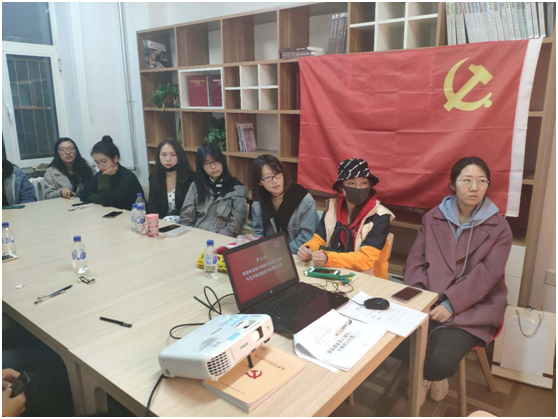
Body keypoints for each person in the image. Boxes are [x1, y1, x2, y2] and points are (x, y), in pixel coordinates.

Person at [394, 156, 511, 405]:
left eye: (482, 181)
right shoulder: (433, 217)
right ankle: (426, 374)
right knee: (391, 341)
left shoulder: (500, 227)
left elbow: (487, 275)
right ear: (452, 184)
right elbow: (416, 259)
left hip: (474, 305)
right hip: (430, 296)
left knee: (439, 361)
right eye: (466, 180)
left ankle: (431, 376)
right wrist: (419, 294)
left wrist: (451, 304)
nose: (474, 187)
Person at [297, 158, 394, 278]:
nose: (358, 188)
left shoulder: (380, 216)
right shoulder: (332, 209)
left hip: (368, 277)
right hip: (334, 272)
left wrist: (328, 258)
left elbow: (366, 259)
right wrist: (307, 249)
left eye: (364, 183)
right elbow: (319, 238)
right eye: (351, 183)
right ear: (341, 187)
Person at [251, 154, 319, 254]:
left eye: (278, 174)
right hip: (271, 255)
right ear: (259, 182)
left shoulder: (304, 200)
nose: (275, 181)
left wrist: (281, 252)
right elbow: (259, 233)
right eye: (268, 177)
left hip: (298, 256)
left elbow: (308, 238)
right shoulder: (258, 203)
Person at [179, 143, 248, 237]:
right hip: (196, 236)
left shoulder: (237, 189)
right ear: (202, 167)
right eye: (207, 163)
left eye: (216, 161)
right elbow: (186, 219)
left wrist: (214, 239)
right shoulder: (195, 186)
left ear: (222, 162)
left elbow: (235, 227)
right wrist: (193, 237)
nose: (213, 167)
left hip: (223, 239)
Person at [79, 136, 143, 210]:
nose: (100, 166)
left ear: (115, 158)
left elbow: (107, 201)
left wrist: (104, 178)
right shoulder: (102, 174)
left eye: (104, 162)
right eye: (97, 162)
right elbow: (84, 194)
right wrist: (101, 198)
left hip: (133, 214)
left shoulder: (127, 177)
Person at [147, 139, 195, 223]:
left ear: (179, 156)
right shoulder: (154, 177)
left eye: (173, 155)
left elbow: (191, 208)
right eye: (163, 155)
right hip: (162, 222)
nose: (168, 159)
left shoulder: (191, 177)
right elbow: (153, 207)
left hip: (185, 221)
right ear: (158, 156)